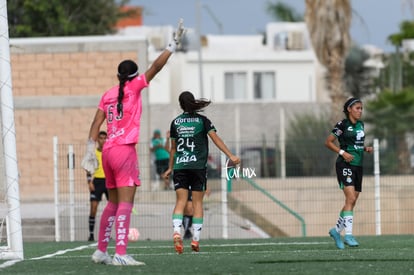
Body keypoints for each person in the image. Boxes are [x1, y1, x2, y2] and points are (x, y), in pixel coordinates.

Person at [81, 19, 185, 266]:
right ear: (134, 76)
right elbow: (156, 67)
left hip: (106, 152)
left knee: (112, 203)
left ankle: (101, 251)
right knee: (126, 203)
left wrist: (88, 151)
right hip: (124, 152)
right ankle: (121, 253)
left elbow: (96, 125)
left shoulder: (107, 94)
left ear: (118, 75)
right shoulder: (135, 87)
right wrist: (172, 45)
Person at [163, 91, 240, 254]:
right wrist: (230, 155)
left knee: (180, 202)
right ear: (193, 102)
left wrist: (170, 167)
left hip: (180, 166)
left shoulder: (175, 122)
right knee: (198, 203)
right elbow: (216, 139)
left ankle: (177, 231)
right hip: (197, 167)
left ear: (180, 104)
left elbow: (173, 149)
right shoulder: (202, 121)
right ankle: (195, 240)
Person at [325, 97, 373, 249]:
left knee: (351, 202)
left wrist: (365, 148)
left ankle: (336, 231)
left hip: (358, 166)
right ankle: (349, 235)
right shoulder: (342, 124)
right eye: (357, 108)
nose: (360, 111)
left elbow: (356, 143)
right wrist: (342, 152)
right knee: (350, 198)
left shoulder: (361, 124)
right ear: (349, 110)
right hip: (345, 164)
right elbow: (328, 142)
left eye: (361, 108)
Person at [87, 130, 108, 242]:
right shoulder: (94, 153)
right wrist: (89, 182)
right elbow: (88, 167)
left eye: (105, 138)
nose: (103, 140)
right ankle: (91, 234)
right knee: (93, 208)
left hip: (109, 182)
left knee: (112, 209)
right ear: (98, 140)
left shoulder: (109, 152)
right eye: (101, 138)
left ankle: (108, 234)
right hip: (97, 182)